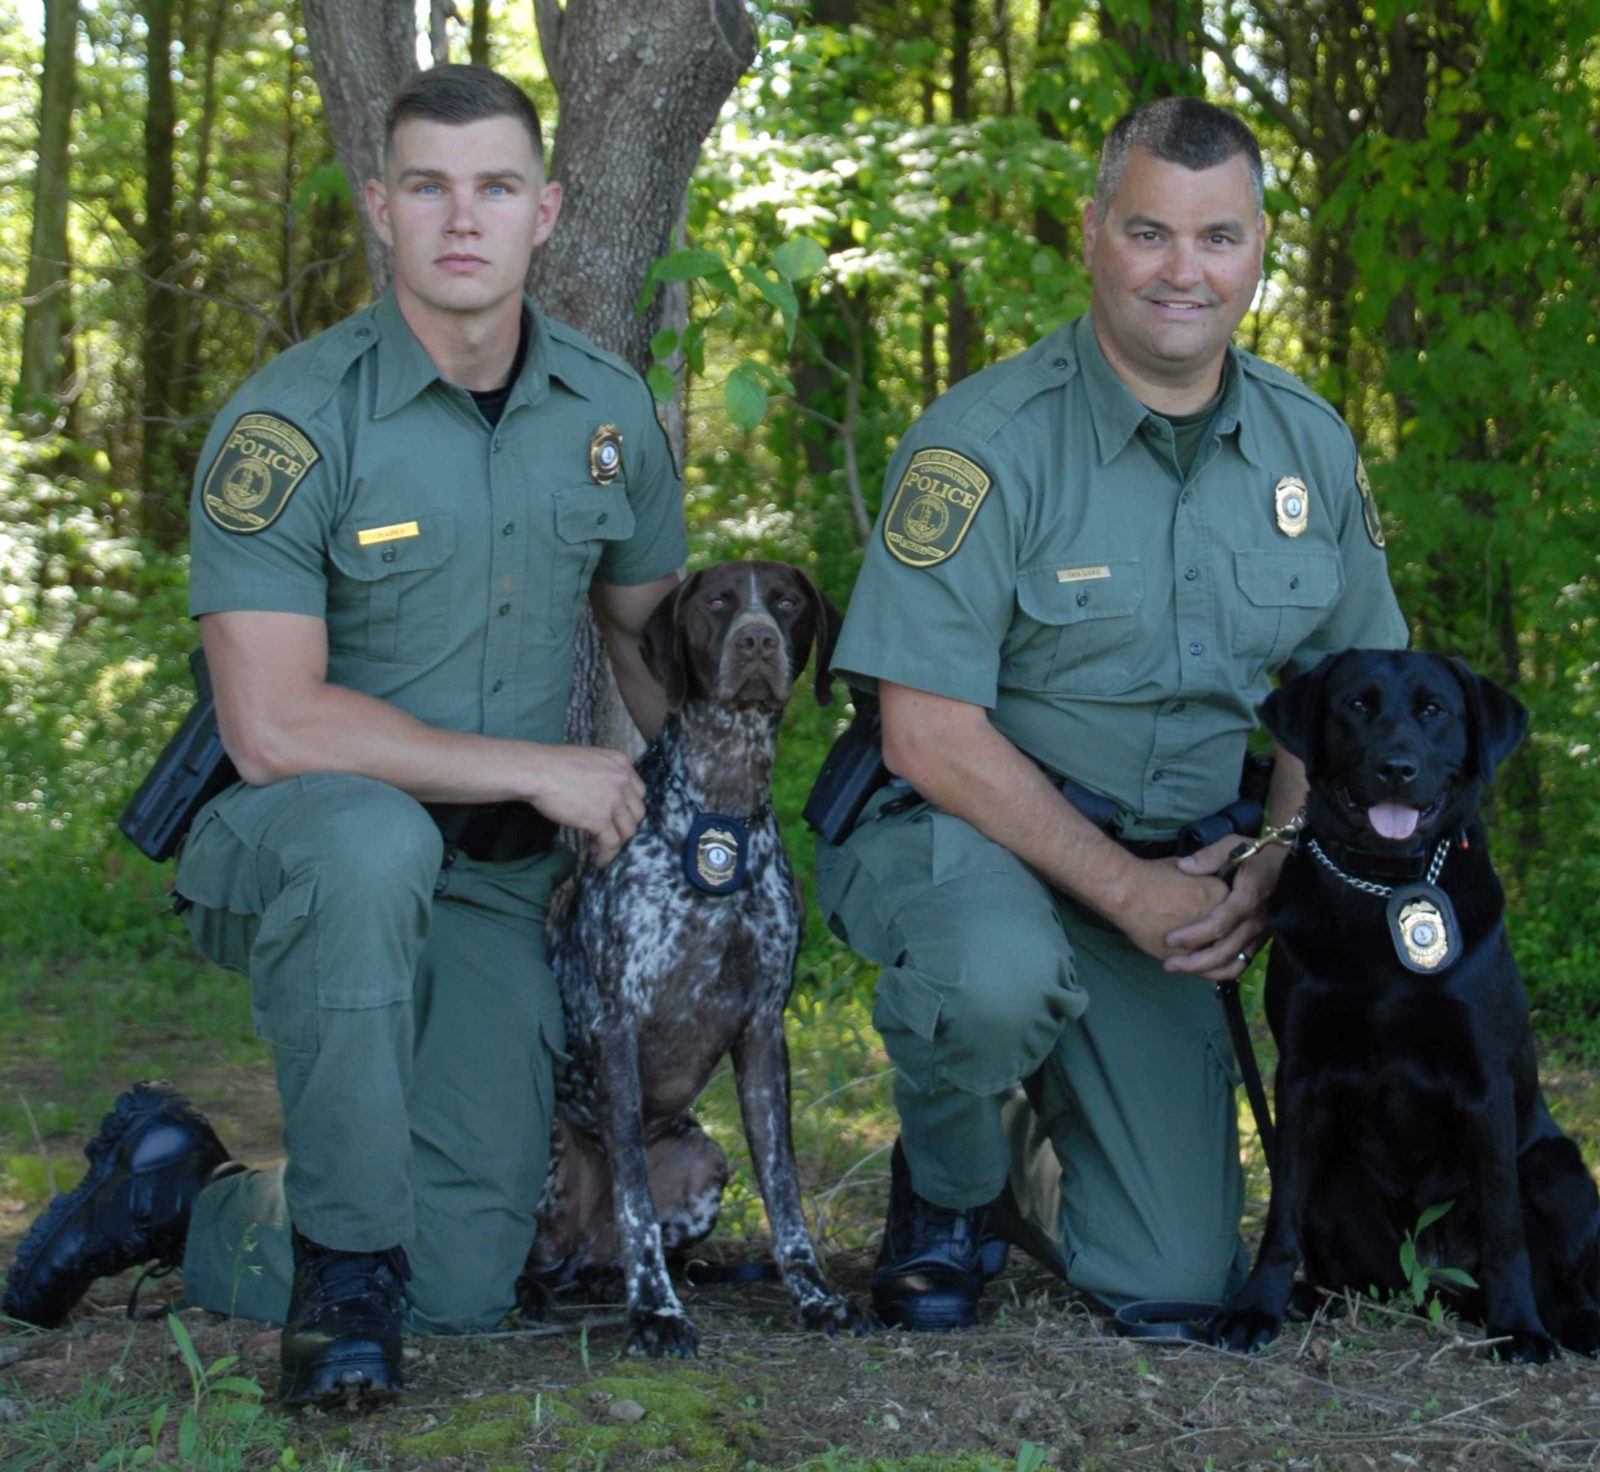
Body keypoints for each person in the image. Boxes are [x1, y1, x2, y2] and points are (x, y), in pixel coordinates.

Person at [2, 65, 686, 1403]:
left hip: (490, 880)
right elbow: (269, 725)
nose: (462, 218)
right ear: (381, 206)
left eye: (495, 186)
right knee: (370, 844)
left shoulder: (609, 417)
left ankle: (177, 1195)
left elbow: (645, 645)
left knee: (473, 1281)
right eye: (428, 186)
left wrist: (691, 835)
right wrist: (544, 766)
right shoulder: (292, 422)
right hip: (296, 844)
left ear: (547, 210)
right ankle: (345, 1276)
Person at [811, 97, 1408, 1330]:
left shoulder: (1308, 447)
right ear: (1091, 233)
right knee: (993, 975)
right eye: (1148, 233)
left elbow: (1343, 698)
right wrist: (1124, 891)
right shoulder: (983, 444)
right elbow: (924, 732)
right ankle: (953, 1185)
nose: (1182, 271)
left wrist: (1272, 860)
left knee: (1175, 1279)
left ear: (1257, 251)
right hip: (967, 840)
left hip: (1174, 874)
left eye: (1217, 237)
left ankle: (1018, 1114)